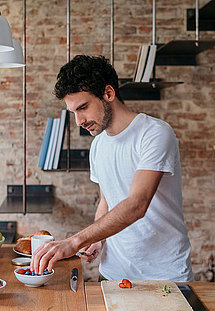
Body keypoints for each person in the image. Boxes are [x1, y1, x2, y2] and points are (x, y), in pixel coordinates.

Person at [31, 55, 192, 282]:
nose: (78, 121)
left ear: (108, 93)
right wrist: (97, 239)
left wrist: (75, 241)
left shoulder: (154, 133)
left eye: (83, 107)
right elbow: (106, 202)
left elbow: (137, 204)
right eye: (73, 113)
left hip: (164, 274)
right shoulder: (98, 145)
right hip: (112, 272)